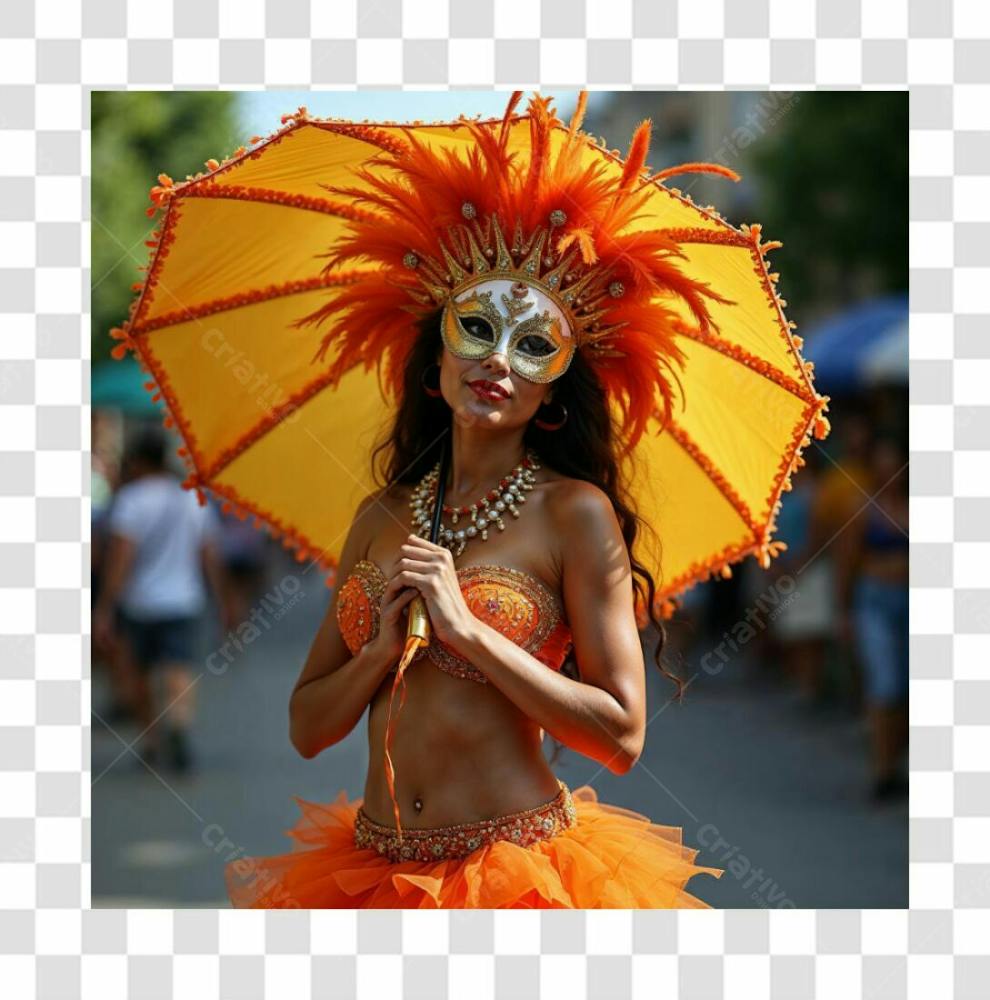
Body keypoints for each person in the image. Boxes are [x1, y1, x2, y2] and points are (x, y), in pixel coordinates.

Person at [224, 94, 734, 908]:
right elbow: (308, 729)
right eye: (477, 331)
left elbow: (622, 735)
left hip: (516, 877)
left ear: (552, 396)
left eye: (535, 347)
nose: (500, 360)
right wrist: (379, 652)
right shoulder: (383, 516)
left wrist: (467, 632)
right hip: (372, 875)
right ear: (435, 367)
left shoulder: (575, 514)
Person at [93, 425, 236, 772]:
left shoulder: (131, 499)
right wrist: (223, 600)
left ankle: (153, 741)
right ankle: (180, 727)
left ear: (139, 462)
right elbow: (209, 554)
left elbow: (120, 558)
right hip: (184, 600)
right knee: (179, 669)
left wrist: (105, 606)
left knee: (137, 674)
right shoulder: (192, 497)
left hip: (139, 603)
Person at [836, 437, 908, 800]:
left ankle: (896, 764)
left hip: (911, 602)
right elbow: (847, 562)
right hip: (875, 599)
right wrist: (844, 611)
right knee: (885, 683)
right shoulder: (864, 507)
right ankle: (882, 770)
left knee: (908, 689)